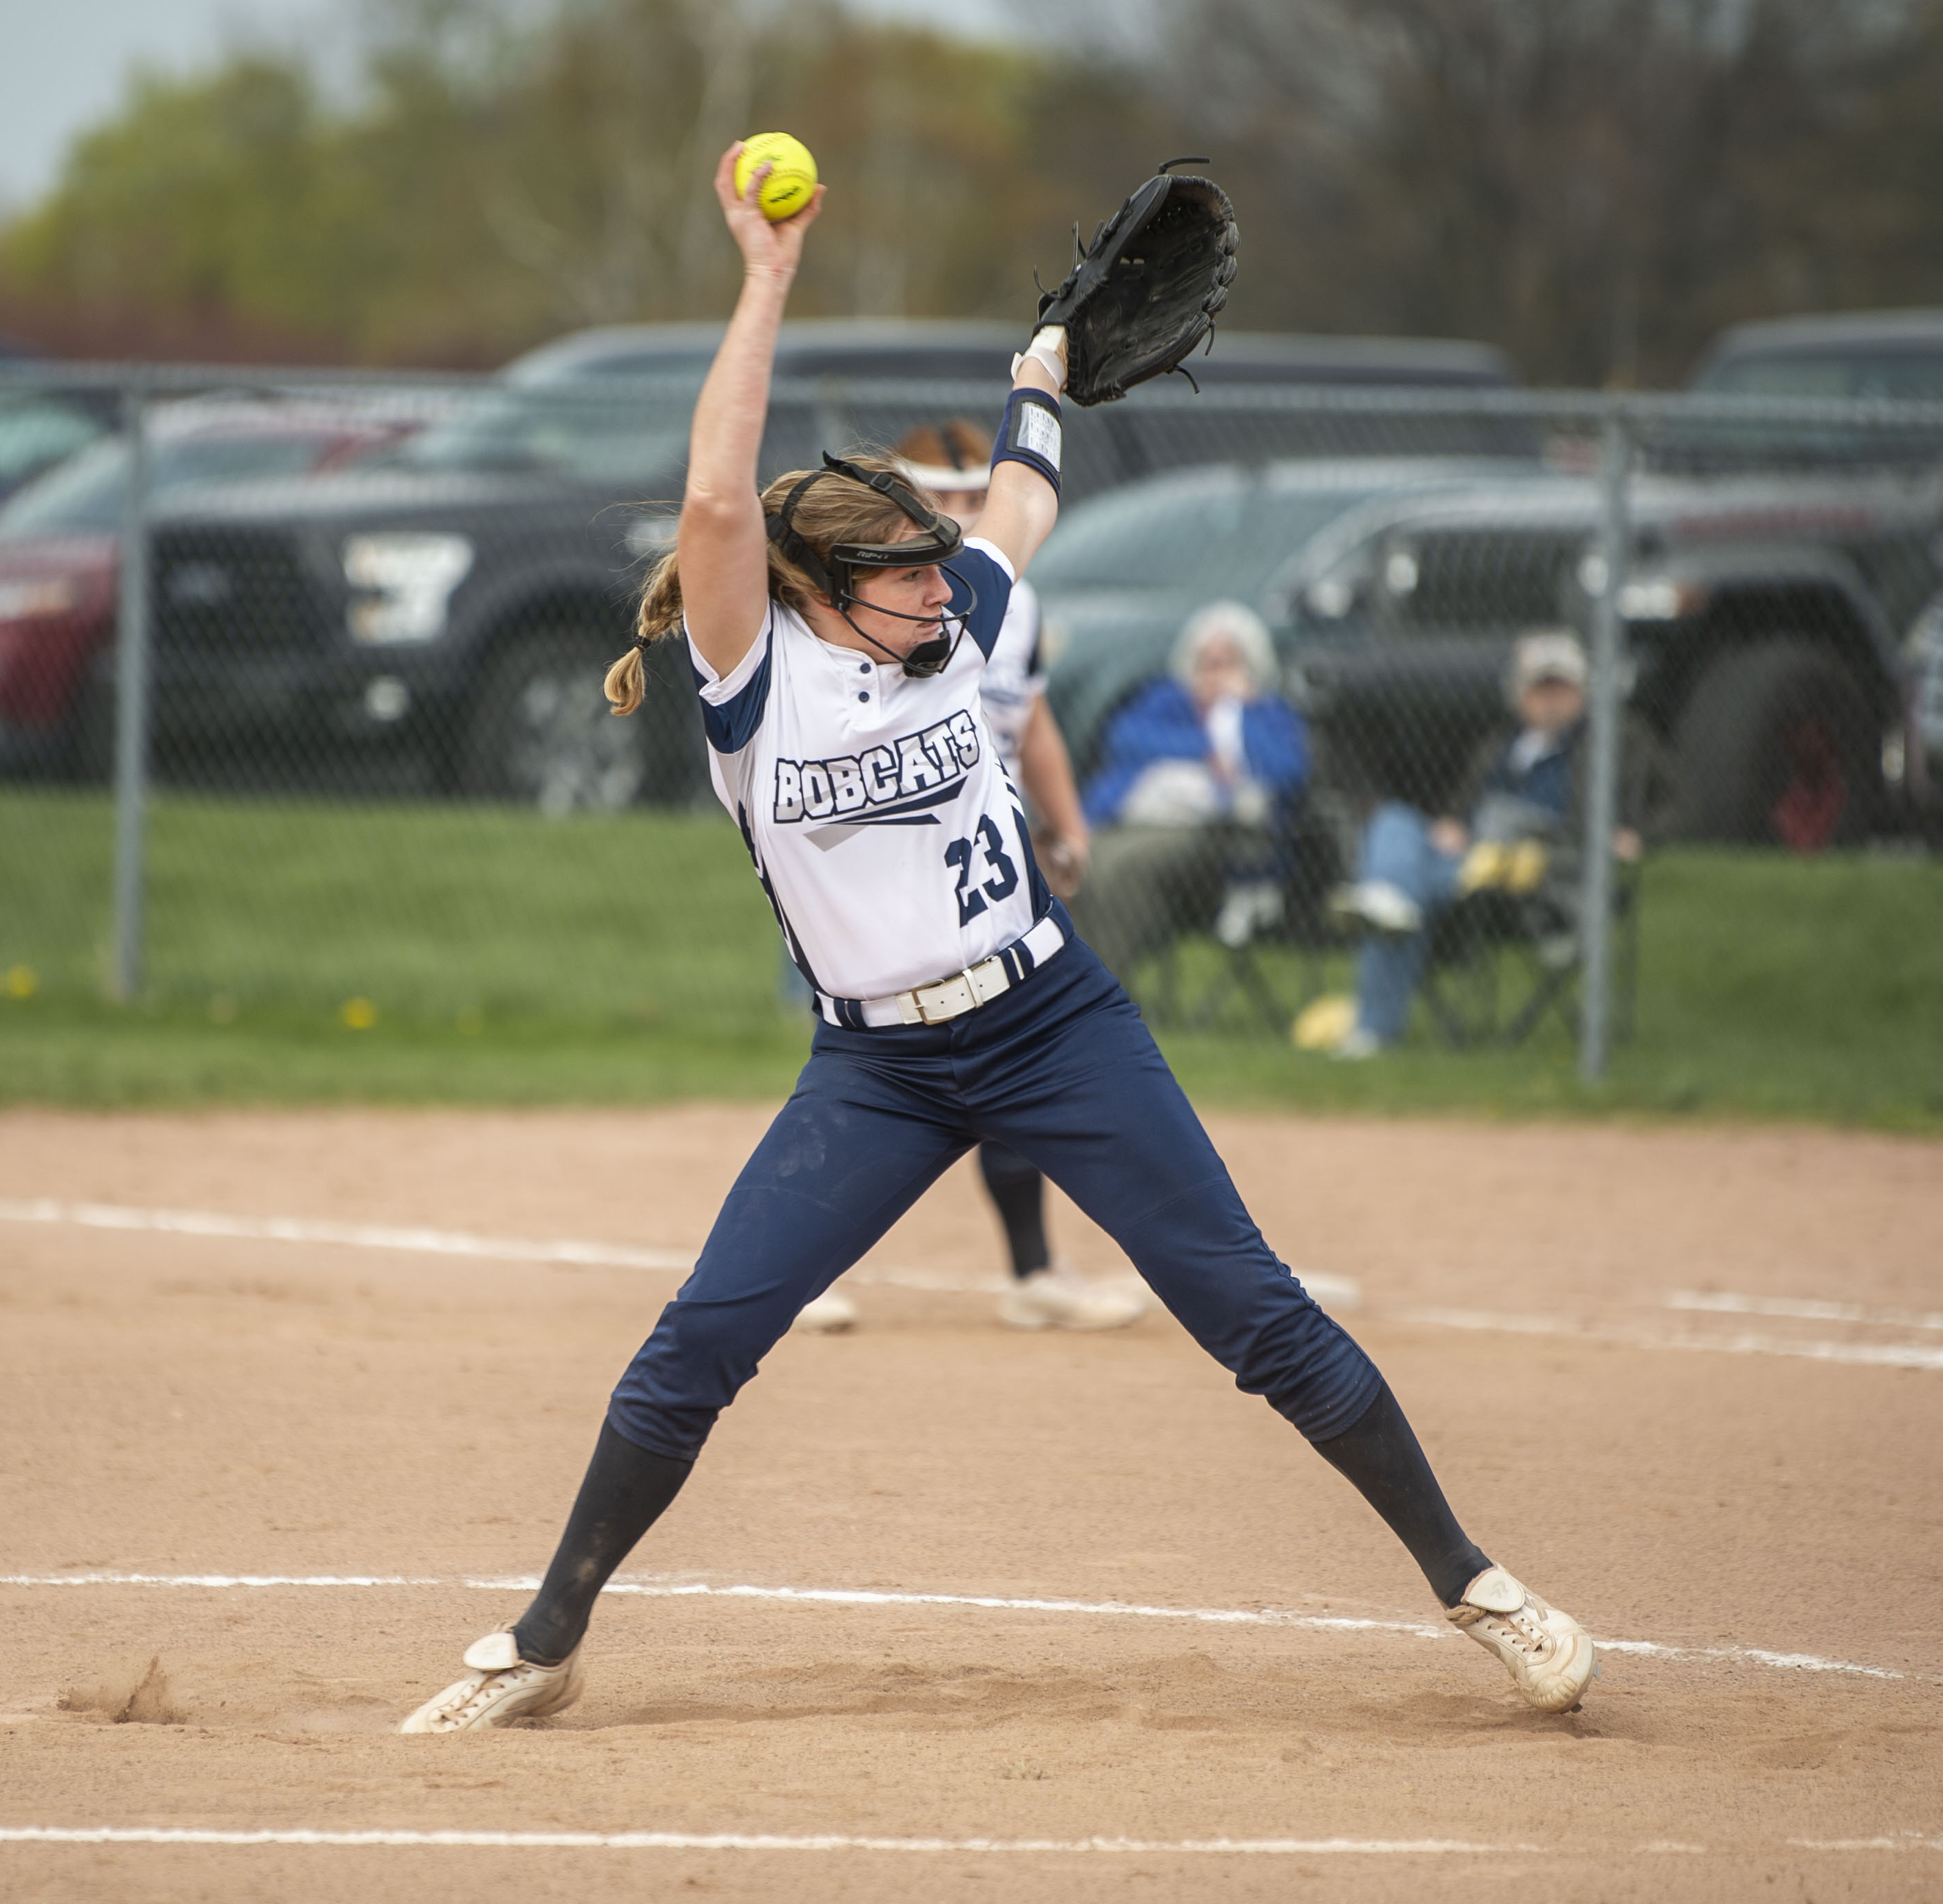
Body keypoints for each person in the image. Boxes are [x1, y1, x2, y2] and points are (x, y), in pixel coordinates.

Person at [399, 145, 1594, 1733]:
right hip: (875, 1069)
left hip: (1051, 1023)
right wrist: (765, 279)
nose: (933, 581)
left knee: (1252, 1311)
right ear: (814, 591)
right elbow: (709, 500)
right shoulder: (758, 684)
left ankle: (1475, 1583)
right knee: (702, 1336)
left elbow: (1023, 494)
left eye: (927, 558)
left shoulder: (954, 607)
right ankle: (545, 1635)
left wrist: (1039, 373)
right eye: (896, 570)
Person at [880, 417, 1140, 1334]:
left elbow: (1026, 721)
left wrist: (1062, 826)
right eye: (935, 498)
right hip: (884, 862)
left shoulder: (1007, 599)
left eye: (966, 498)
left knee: (1008, 1047)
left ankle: (1034, 1271)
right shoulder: (876, 596)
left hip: (982, 859)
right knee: (870, 1068)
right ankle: (782, 1265)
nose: (954, 515)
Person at [1329, 629, 1667, 1057]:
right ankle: (1389, 901)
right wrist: (1452, 825)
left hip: (1538, 861)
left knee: (1409, 891)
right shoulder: (1501, 746)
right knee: (1394, 822)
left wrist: (1636, 835)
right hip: (1472, 858)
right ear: (1518, 695)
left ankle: (1375, 1020)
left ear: (1582, 692)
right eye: (1539, 688)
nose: (1549, 700)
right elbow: (1463, 808)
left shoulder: (1615, 740)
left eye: (1560, 688)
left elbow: (1677, 802)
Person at [1072, 601, 1309, 977]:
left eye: (1227, 662)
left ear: (1250, 665)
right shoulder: (1169, 699)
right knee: (1083, 860)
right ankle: (1074, 980)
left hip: (1217, 833)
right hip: (1132, 817)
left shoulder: (1266, 712)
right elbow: (1124, 738)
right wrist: (1207, 749)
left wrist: (1238, 711)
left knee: (1124, 869)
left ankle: (1104, 984)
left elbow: (1286, 772)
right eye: (1206, 662)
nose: (1214, 674)